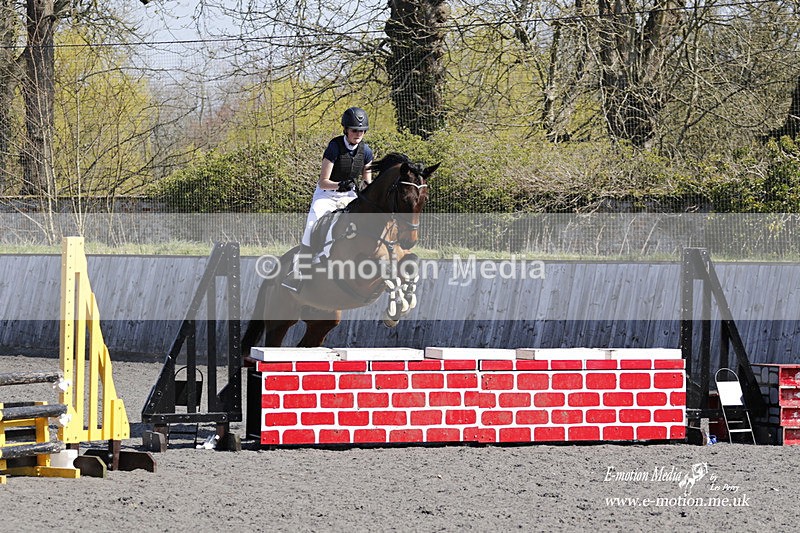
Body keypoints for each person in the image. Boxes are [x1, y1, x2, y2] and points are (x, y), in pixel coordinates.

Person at [282, 107, 374, 291]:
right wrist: (339, 185)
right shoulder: (334, 147)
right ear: (346, 130)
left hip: (349, 196)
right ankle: (300, 272)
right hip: (327, 195)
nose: (358, 134)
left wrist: (367, 192)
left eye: (362, 130)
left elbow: (366, 182)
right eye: (354, 130)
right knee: (312, 224)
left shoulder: (367, 152)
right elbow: (323, 182)